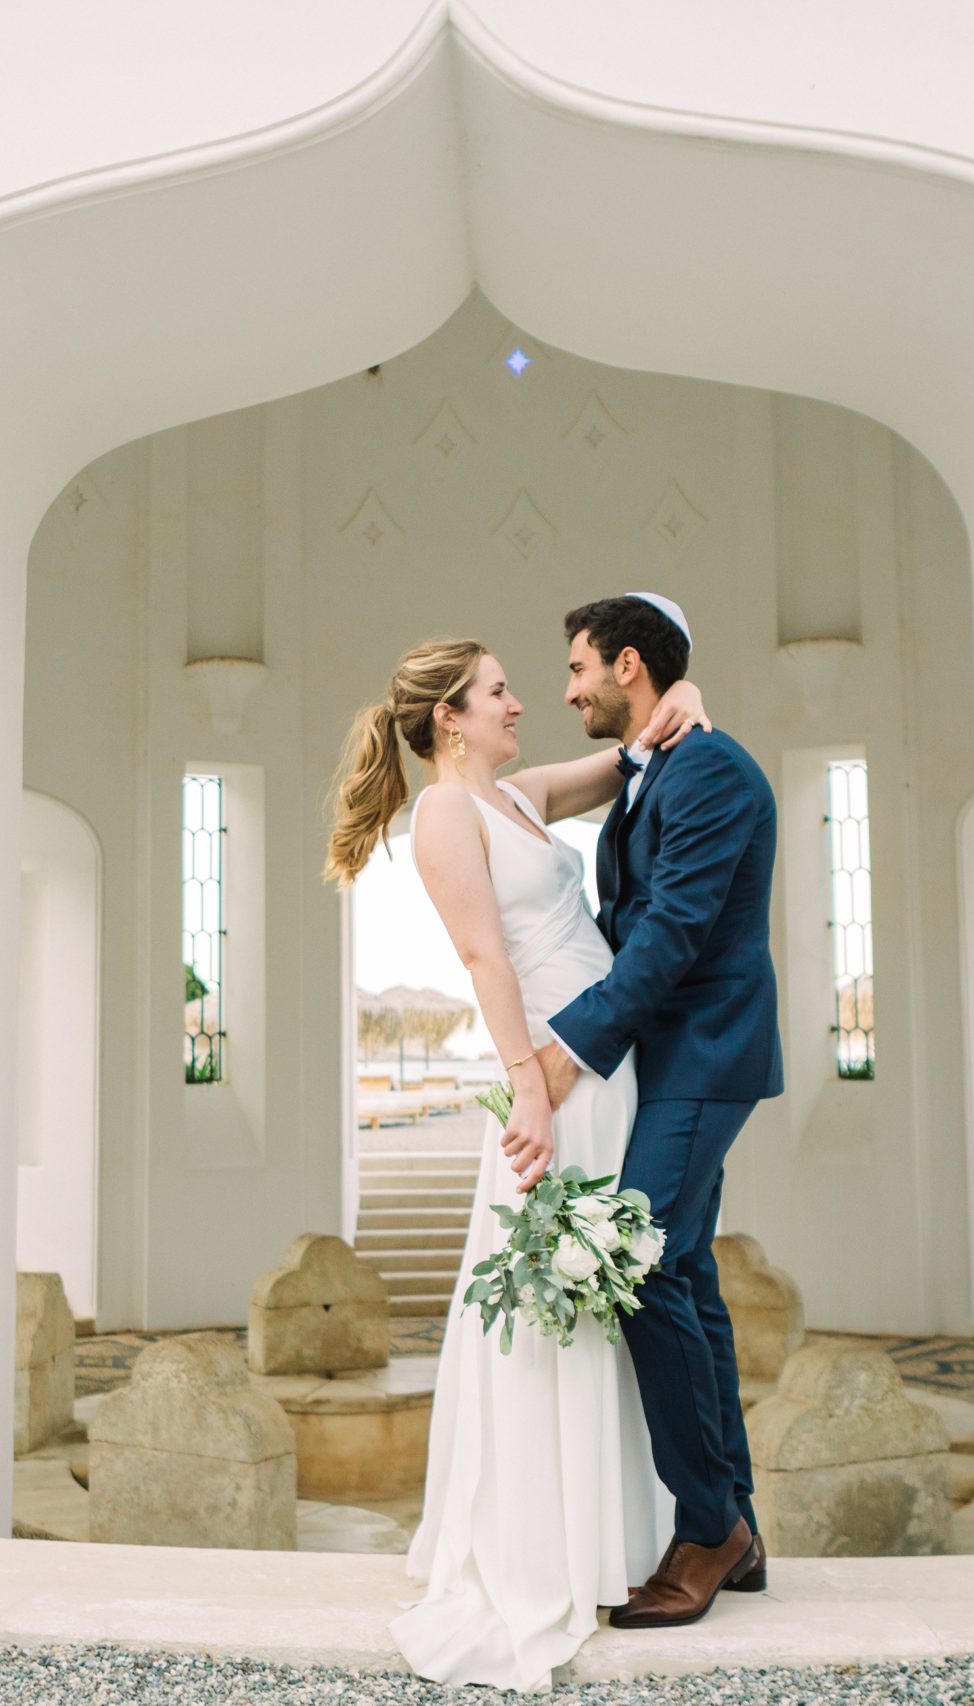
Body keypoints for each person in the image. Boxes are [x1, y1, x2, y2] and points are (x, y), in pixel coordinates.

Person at [324, 632, 709, 1692]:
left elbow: (632, 752)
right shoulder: (441, 812)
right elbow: (484, 953)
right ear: (449, 715)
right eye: (497, 691)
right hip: (555, 1066)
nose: (518, 703)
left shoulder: (523, 792)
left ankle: (608, 1534)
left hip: (601, 1052)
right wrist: (529, 1083)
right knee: (559, 1291)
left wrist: (679, 696)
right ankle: (542, 1543)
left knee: (607, 1285)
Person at [536, 593, 782, 1632]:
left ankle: (705, 1523)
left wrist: (567, 1047)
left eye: (580, 668)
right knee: (685, 1269)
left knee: (633, 1262)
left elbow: (674, 932)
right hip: (671, 1056)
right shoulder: (659, 762)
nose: (568, 689)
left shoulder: (713, 770)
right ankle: (737, 1522)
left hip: (703, 1052)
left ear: (626, 663)